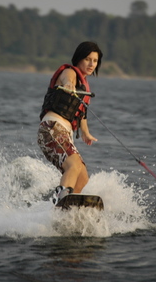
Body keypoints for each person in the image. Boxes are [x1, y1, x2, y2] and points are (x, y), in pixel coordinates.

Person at [37, 41, 103, 205]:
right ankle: (61, 199)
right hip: (52, 129)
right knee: (73, 165)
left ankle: (67, 207)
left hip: (63, 133)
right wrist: (68, 85)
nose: (91, 64)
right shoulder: (69, 72)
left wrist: (86, 133)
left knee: (82, 176)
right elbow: (68, 80)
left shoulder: (84, 85)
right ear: (79, 58)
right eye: (88, 59)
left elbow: (82, 115)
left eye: (95, 61)